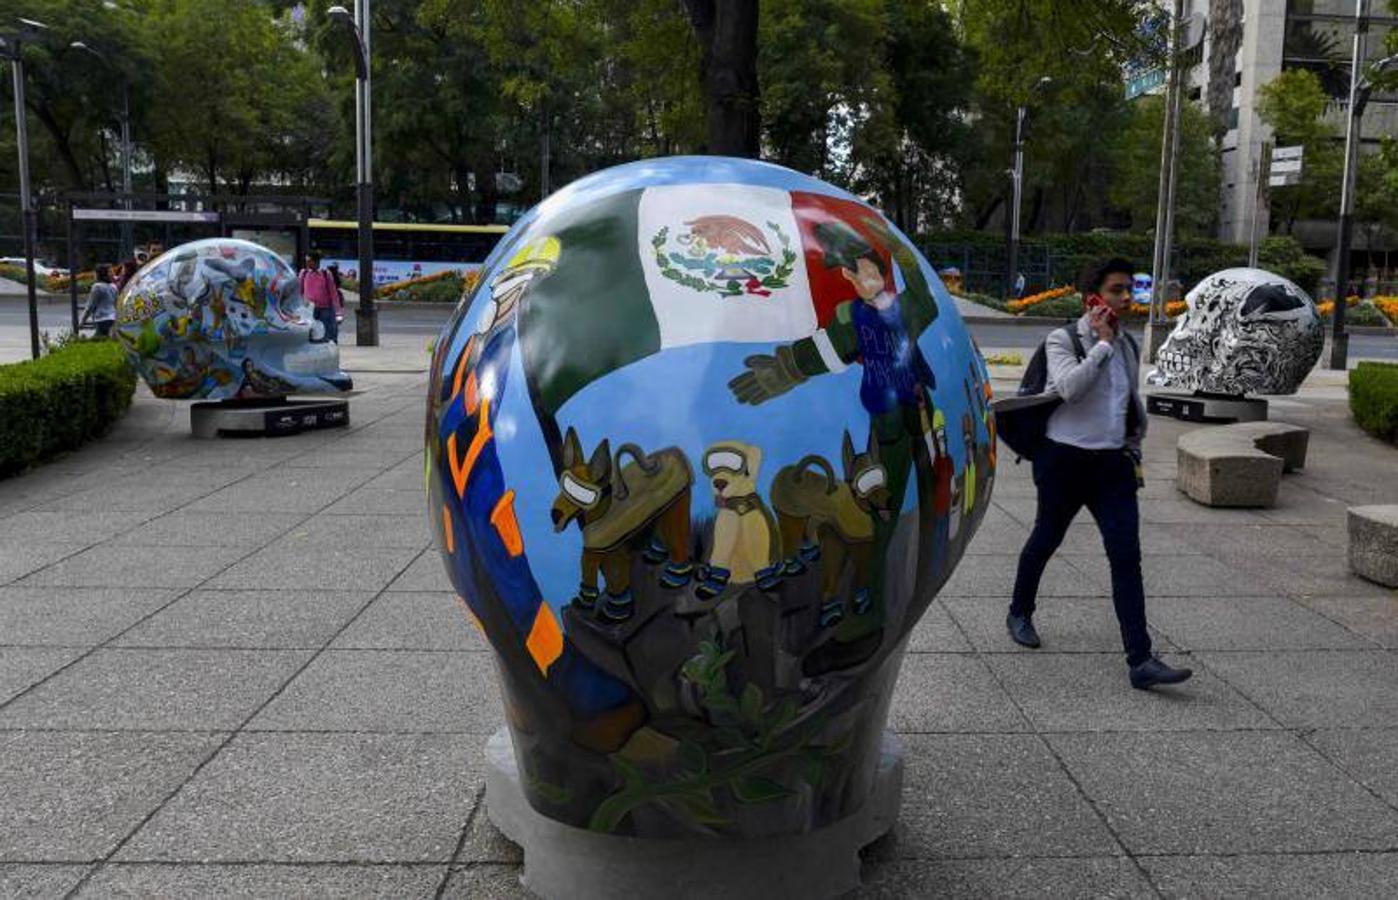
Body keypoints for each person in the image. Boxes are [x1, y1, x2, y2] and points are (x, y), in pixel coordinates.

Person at [1006, 257, 1193, 691]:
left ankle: (1141, 659)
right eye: (1115, 290)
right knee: (1046, 537)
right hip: (1063, 461)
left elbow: (1125, 399)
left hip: (1112, 466)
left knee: (1126, 557)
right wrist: (1102, 344)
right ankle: (1020, 610)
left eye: (1129, 289)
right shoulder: (1063, 339)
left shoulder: (1128, 344)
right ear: (1092, 296)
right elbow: (1068, 388)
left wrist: (1134, 444)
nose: (1125, 298)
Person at [299, 251, 342, 343]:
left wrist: (338, 313)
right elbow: (299, 291)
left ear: (316, 261)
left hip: (325, 309)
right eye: (306, 260)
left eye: (309, 261)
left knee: (326, 333)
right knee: (310, 334)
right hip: (309, 310)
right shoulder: (304, 273)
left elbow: (333, 293)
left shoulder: (326, 274)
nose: (307, 263)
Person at [80, 264, 118, 337]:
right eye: (111, 272)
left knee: (99, 339)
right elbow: (116, 304)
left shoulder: (97, 287)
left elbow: (90, 306)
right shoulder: (114, 287)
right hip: (113, 318)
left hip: (101, 319)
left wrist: (82, 321)